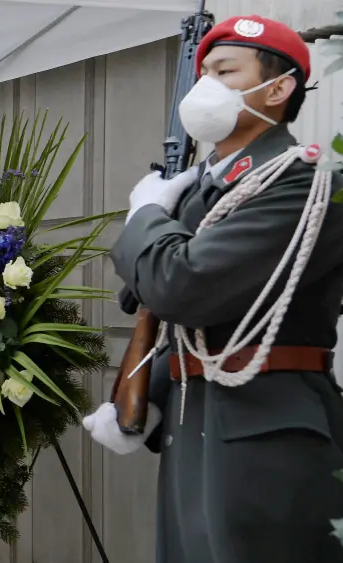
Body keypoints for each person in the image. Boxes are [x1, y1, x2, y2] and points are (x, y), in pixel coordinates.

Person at [85, 15, 343, 563]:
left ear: (278, 88)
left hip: (263, 428)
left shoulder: (302, 180)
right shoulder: (206, 187)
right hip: (194, 416)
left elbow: (181, 286)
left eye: (225, 71)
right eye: (202, 72)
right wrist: (149, 392)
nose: (206, 86)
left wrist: (149, 213)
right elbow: (161, 305)